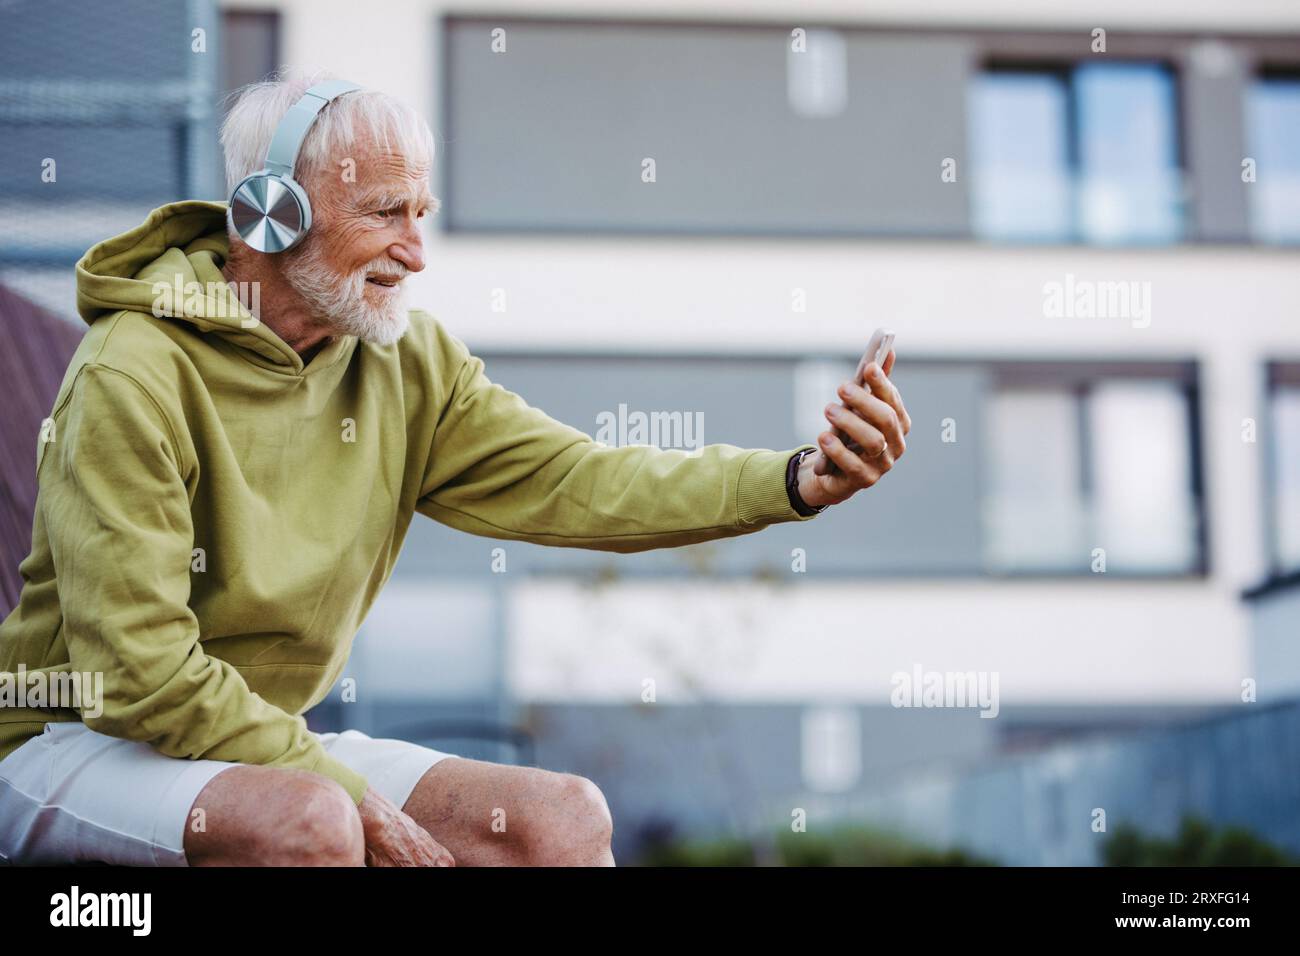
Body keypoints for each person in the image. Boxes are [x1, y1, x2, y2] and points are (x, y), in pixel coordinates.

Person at [0, 68, 911, 867]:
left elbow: (577, 480)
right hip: (75, 740)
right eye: (384, 214)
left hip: (263, 752)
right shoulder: (134, 372)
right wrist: (335, 786)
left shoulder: (403, 360)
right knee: (312, 826)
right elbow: (142, 674)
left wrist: (795, 480)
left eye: (420, 214)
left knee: (559, 822)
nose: (416, 252)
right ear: (269, 214)